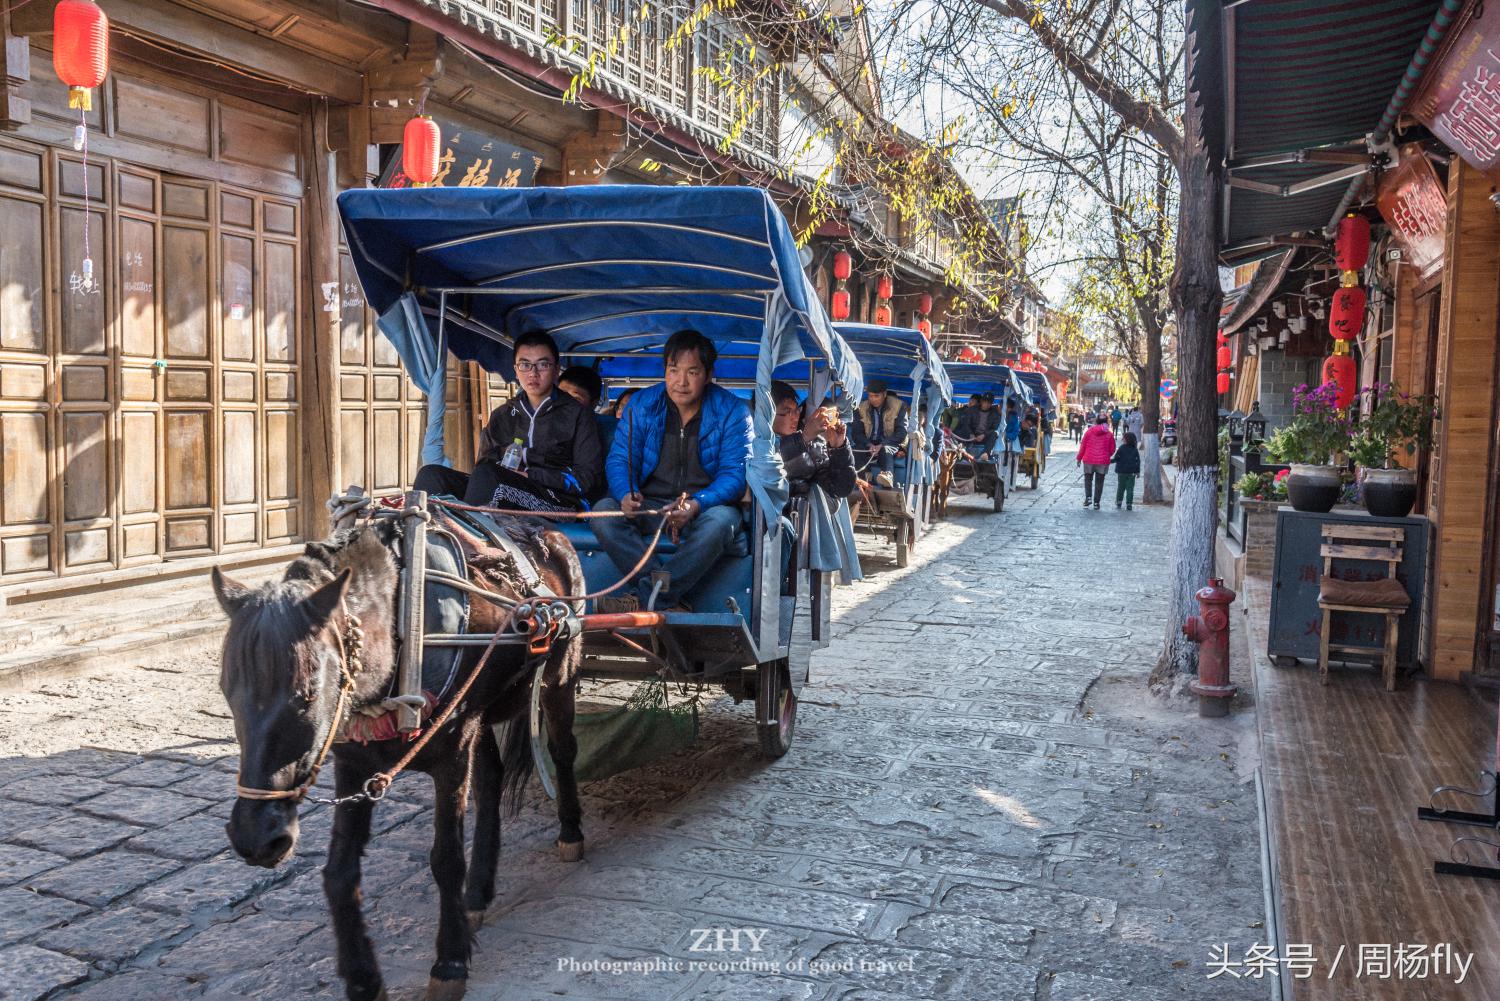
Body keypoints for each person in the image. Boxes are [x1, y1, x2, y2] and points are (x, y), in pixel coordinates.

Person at [593, 329, 753, 611]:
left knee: (721, 522)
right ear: (664, 369)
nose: (681, 382)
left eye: (692, 372)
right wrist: (626, 492)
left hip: (705, 510)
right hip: (652, 506)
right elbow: (621, 460)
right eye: (673, 370)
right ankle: (666, 599)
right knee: (603, 513)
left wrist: (696, 504)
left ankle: (645, 599)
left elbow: (735, 474)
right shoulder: (642, 405)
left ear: (708, 374)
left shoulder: (733, 411)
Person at [412, 330, 602, 511]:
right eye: (525, 365)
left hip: (559, 500)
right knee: (431, 475)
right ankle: (426, 536)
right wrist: (506, 473)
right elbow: (484, 466)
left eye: (543, 365)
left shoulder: (578, 414)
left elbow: (585, 479)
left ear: (556, 370)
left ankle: (475, 537)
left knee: (489, 478)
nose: (533, 373)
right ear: (516, 370)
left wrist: (529, 475)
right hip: (502, 486)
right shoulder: (502, 415)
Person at [771, 381, 856, 499]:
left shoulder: (813, 446)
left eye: (797, 410)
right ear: (768, 414)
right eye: (787, 411)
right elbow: (769, 460)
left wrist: (839, 448)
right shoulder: (755, 444)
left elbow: (839, 490)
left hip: (801, 514)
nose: (795, 416)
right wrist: (803, 438)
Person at [850, 379, 909, 485]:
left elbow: (902, 432)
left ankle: (887, 476)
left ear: (884, 394)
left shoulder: (899, 406)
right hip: (869, 444)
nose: (873, 399)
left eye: (876, 396)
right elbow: (856, 433)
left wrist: (882, 445)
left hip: (890, 443)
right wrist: (869, 444)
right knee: (855, 451)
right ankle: (864, 481)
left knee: (885, 450)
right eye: (870, 396)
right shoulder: (861, 408)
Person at [560, 364, 619, 456]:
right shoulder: (540, 425)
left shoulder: (615, 433)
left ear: (594, 403)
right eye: (561, 395)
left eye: (576, 399)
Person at [1077, 414, 1116, 510]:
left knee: (1088, 479)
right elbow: (1112, 449)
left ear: (1096, 421)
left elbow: (1083, 446)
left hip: (1088, 459)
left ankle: (1088, 497)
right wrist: (1107, 455)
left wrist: (1079, 458)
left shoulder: (1089, 432)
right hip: (1102, 461)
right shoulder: (1109, 434)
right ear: (1106, 421)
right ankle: (1096, 503)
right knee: (1099, 482)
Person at [1111, 431, 1142, 510]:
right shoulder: (1134, 449)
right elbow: (1137, 461)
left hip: (1121, 472)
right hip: (1131, 472)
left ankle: (1119, 502)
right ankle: (1129, 504)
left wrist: (1108, 461)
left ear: (1127, 439)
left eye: (1123, 438)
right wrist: (1137, 472)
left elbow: (1116, 458)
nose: (1122, 439)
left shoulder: (1121, 448)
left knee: (1120, 487)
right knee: (1130, 489)